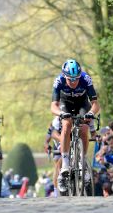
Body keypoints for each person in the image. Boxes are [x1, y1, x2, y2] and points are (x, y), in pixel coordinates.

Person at [51, 59, 100, 193]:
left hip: (82, 105)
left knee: (84, 127)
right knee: (66, 124)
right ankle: (65, 164)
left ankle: (82, 160)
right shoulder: (59, 81)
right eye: (70, 79)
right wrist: (60, 113)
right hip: (65, 104)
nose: (73, 82)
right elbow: (53, 106)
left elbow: (95, 104)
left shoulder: (86, 79)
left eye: (76, 79)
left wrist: (91, 113)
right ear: (64, 76)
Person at [43, 117, 62, 197]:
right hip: (58, 142)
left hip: (71, 140)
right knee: (57, 164)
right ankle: (55, 190)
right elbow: (47, 139)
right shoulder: (55, 122)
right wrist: (46, 145)